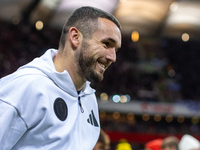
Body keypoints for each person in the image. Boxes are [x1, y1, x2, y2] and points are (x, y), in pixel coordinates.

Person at [0, 6, 122, 150]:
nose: (113, 57)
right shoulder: (24, 87)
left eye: (116, 50)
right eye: (106, 44)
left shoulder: (89, 99)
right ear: (76, 37)